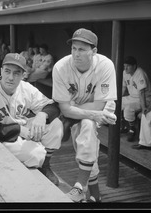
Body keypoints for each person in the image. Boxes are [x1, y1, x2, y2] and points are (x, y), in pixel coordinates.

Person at [0, 53, 63, 186]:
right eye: (7, 71)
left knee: (56, 125)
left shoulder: (25, 87)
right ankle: (22, 165)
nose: (10, 77)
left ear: (23, 75)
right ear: (1, 71)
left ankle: (45, 165)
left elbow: (52, 107)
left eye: (16, 73)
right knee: (37, 154)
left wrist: (41, 115)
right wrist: (19, 130)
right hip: (0, 137)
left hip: (21, 130)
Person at [52, 28, 117, 202]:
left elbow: (100, 105)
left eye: (81, 49)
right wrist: (78, 112)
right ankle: (95, 196)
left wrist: (82, 112)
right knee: (86, 148)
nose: (76, 53)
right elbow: (64, 109)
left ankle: (80, 186)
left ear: (94, 51)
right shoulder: (61, 67)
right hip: (74, 111)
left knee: (87, 126)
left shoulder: (105, 65)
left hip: (100, 108)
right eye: (73, 48)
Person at [120, 56, 151, 142]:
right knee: (116, 103)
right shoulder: (125, 73)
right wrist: (117, 99)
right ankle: (123, 126)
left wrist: (143, 109)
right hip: (132, 97)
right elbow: (123, 88)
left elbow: (141, 93)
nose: (126, 68)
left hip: (145, 98)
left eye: (128, 66)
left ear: (134, 66)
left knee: (128, 108)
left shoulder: (140, 73)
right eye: (124, 66)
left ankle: (132, 129)